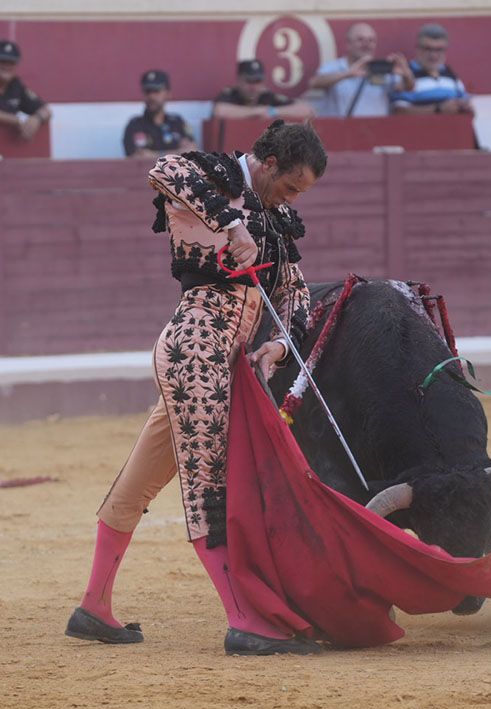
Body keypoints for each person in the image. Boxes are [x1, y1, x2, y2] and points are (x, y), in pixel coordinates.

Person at [65, 120, 328, 656]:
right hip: (196, 348)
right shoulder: (213, 179)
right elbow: (163, 170)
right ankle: (244, 618)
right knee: (211, 482)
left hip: (223, 359)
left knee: (136, 484)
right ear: (269, 162)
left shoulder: (275, 219)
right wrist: (232, 223)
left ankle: (93, 606)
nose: (293, 197)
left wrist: (279, 345)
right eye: (292, 185)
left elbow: (296, 297)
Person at [309, 22, 407, 117]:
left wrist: (406, 73)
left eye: (371, 40)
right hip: (342, 130)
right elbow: (314, 82)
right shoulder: (335, 66)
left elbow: (407, 88)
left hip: (377, 130)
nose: (366, 44)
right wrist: (348, 73)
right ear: (348, 44)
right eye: (360, 40)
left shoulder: (382, 68)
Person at [389, 23, 473, 115]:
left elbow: (465, 103)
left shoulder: (450, 75)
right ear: (417, 49)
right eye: (428, 49)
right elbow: (399, 111)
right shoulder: (406, 74)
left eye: (439, 49)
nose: (433, 55)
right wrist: (438, 109)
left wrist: (464, 106)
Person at [212, 59, 315, 121]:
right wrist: (257, 111)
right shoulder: (230, 94)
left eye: (258, 81)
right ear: (239, 80)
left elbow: (307, 111)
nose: (253, 87)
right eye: (249, 81)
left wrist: (273, 111)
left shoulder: (267, 96)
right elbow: (220, 111)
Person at [122, 69, 195, 157]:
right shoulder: (135, 125)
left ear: (168, 94)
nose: (151, 96)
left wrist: (153, 155)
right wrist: (178, 152)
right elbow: (137, 158)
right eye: (148, 91)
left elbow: (191, 152)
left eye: (156, 91)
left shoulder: (177, 122)